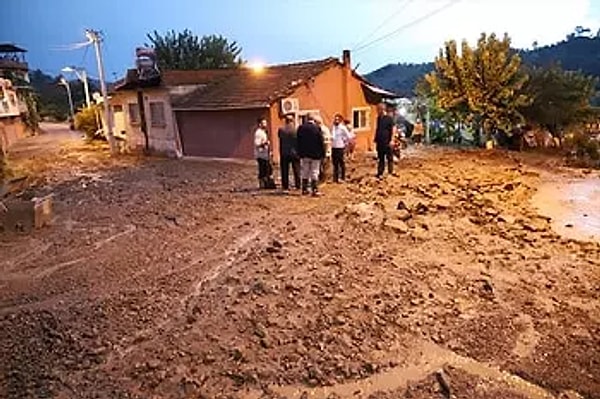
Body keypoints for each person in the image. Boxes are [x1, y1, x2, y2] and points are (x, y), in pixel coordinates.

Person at [297, 113, 325, 196]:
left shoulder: (301, 128)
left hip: (304, 154)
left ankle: (304, 189)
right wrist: (322, 153)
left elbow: (298, 141)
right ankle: (315, 190)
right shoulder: (317, 128)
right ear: (313, 119)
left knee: (305, 171)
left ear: (306, 119)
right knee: (314, 171)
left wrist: (299, 153)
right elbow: (321, 142)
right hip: (315, 154)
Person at [374, 103, 397, 178]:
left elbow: (393, 129)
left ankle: (391, 171)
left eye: (378, 110)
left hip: (387, 141)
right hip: (380, 142)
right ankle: (380, 172)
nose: (377, 111)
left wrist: (392, 140)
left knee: (389, 157)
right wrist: (376, 139)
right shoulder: (378, 118)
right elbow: (378, 129)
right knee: (381, 158)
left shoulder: (389, 118)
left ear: (382, 109)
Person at [278, 114, 300, 190]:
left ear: (285, 121)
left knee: (284, 170)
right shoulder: (296, 130)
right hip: (295, 152)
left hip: (284, 153)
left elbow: (280, 140)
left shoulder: (281, 130)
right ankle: (298, 185)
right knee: (297, 170)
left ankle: (285, 186)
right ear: (292, 121)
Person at [331, 114, 350, 183]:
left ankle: (342, 177)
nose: (336, 121)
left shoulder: (342, 128)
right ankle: (335, 178)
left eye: (337, 120)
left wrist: (345, 143)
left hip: (340, 147)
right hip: (334, 147)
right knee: (335, 163)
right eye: (335, 119)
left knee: (341, 163)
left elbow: (348, 136)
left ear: (340, 120)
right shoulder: (333, 127)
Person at [254, 117, 271, 189]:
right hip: (261, 155)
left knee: (267, 169)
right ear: (259, 124)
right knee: (262, 170)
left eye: (266, 123)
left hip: (265, 154)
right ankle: (262, 185)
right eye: (264, 123)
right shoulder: (258, 133)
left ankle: (266, 184)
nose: (265, 124)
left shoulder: (264, 132)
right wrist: (265, 143)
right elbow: (257, 144)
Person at [314, 115, 331, 182]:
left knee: (324, 167)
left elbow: (326, 142)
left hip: (325, 152)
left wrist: (324, 152)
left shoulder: (323, 130)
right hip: (322, 152)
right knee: (321, 167)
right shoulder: (322, 129)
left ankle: (323, 181)